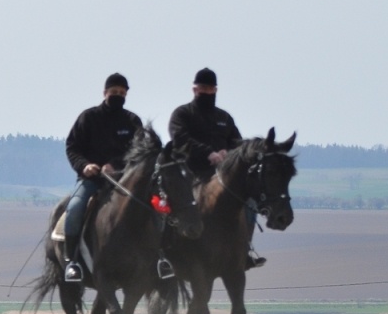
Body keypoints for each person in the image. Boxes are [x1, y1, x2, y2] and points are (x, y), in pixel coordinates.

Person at [169, 67, 264, 268]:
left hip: (222, 177)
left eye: (210, 88)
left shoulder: (224, 118)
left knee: (250, 202)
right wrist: (208, 153)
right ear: (194, 89)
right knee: (166, 203)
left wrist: (226, 154)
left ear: (216, 90)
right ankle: (166, 251)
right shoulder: (182, 114)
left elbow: (237, 144)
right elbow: (180, 139)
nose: (206, 91)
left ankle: (243, 249)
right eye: (202, 87)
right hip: (190, 174)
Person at [63, 73, 148, 284]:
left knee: (156, 208)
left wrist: (116, 165)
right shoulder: (88, 118)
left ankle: (160, 259)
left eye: (122, 93)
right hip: (91, 181)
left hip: (125, 181)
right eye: (114, 92)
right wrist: (85, 166)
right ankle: (71, 260)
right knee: (74, 208)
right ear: (105, 93)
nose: (118, 95)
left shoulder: (132, 121)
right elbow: (72, 147)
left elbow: (140, 150)